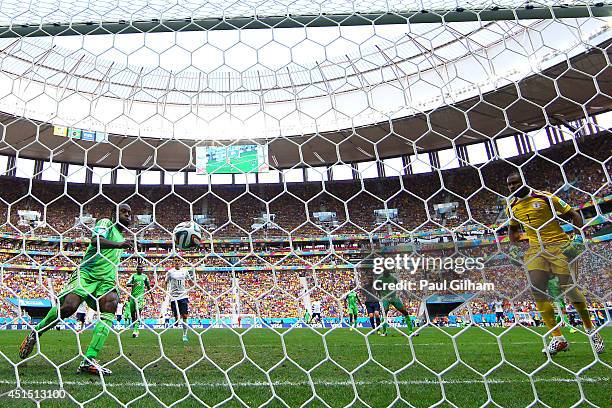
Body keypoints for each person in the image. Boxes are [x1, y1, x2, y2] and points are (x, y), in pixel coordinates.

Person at [19, 204, 134, 375]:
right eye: (123, 212)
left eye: (130, 214)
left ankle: (88, 360)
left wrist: (120, 244)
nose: (127, 216)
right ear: (113, 214)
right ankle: (36, 333)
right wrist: (119, 245)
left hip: (106, 281)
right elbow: (95, 241)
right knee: (69, 307)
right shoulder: (105, 224)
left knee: (112, 303)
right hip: (87, 274)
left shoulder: (120, 237)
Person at [506, 172, 604, 355]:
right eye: (509, 185)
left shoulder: (546, 197)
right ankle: (558, 338)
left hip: (558, 246)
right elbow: (512, 230)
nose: (512, 187)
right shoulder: (512, 206)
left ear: (524, 181)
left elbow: (574, 215)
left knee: (570, 290)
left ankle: (591, 330)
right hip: (536, 251)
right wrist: (515, 242)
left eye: (515, 183)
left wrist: (575, 238)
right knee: (537, 292)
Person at [375, 270, 416, 337]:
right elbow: (376, 287)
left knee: (405, 312)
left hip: (394, 298)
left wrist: (407, 295)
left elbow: (400, 287)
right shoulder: (380, 279)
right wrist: (381, 295)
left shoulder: (393, 278)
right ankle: (385, 332)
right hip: (386, 298)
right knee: (384, 313)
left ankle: (411, 331)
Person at [165, 261, 193, 342]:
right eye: (176, 262)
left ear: (181, 263)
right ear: (173, 263)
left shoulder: (185, 271)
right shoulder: (170, 272)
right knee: (177, 316)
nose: (177, 263)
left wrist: (194, 285)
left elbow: (189, 280)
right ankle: (176, 318)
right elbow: (166, 282)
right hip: (174, 297)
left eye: (178, 261)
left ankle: (184, 335)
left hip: (183, 296)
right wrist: (165, 291)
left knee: (184, 316)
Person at [127, 263, 153, 338]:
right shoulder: (133, 276)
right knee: (132, 314)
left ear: (142, 269)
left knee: (138, 312)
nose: (140, 269)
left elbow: (148, 287)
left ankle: (135, 330)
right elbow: (127, 284)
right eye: (139, 268)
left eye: (141, 268)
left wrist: (152, 297)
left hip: (140, 297)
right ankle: (135, 329)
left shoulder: (145, 277)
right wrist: (133, 285)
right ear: (136, 269)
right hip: (133, 297)